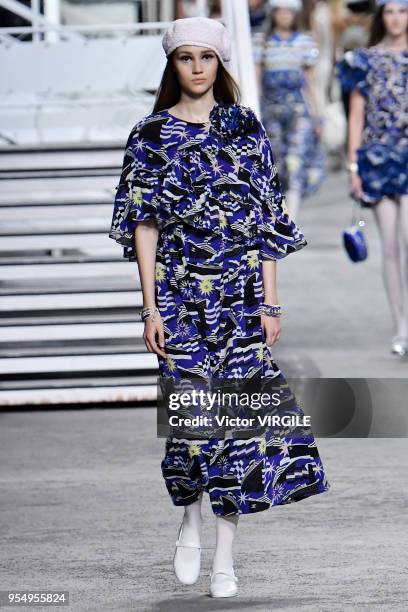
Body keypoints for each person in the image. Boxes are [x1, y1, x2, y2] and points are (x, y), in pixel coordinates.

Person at [109, 16, 330, 598]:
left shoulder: (245, 130)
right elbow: (144, 225)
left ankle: (226, 555)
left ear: (221, 62)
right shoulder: (150, 135)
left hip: (240, 300)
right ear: (172, 64)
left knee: (236, 427)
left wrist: (272, 302)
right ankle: (189, 515)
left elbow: (265, 221)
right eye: (187, 57)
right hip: (180, 296)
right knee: (191, 423)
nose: (198, 67)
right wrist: (149, 308)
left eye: (208, 56)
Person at [336, 0, 408, 356]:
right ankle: (401, 328)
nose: (396, 18)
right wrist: (353, 167)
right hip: (377, 161)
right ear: (381, 16)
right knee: (391, 248)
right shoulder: (363, 60)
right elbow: (356, 115)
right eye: (390, 11)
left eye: (403, 10)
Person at [252, 0, 326, 222]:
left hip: (298, 110)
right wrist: (253, 112)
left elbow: (311, 83)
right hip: (270, 111)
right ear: (272, 13)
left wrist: (317, 115)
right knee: (277, 164)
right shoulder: (261, 42)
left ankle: (290, 218)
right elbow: (256, 80)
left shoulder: (305, 42)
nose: (284, 16)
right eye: (280, 11)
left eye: (288, 12)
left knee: (296, 161)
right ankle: (279, 213)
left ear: (295, 14)